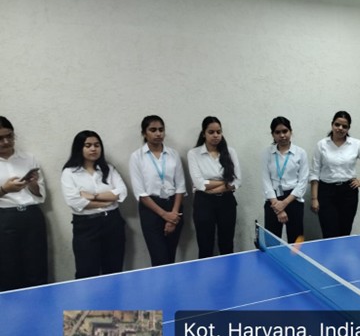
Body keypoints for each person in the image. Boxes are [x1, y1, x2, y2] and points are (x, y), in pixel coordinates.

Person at [61, 130, 127, 278]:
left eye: (97, 145)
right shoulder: (69, 172)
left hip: (112, 223)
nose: (93, 149)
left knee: (114, 270)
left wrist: (93, 197)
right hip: (86, 226)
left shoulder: (109, 169)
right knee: (86, 272)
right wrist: (107, 201)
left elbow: (122, 192)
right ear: (79, 148)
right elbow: (74, 201)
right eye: (88, 145)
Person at [310, 111, 360, 238]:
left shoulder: (356, 144)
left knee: (345, 231)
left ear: (348, 128)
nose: (340, 128)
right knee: (329, 232)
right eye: (337, 124)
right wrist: (314, 199)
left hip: (348, 193)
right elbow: (314, 173)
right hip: (326, 193)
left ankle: (342, 252)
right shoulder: (321, 145)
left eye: (344, 126)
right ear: (332, 124)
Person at [129, 116, 187, 266]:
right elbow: (141, 193)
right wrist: (165, 215)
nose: (158, 133)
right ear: (144, 133)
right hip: (151, 209)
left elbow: (180, 186)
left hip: (174, 206)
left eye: (161, 130)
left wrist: (173, 215)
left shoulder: (173, 154)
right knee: (159, 258)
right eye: (153, 130)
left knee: (170, 256)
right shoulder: (137, 157)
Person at [0, 116, 48, 291]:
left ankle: (40, 303)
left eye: (9, 136)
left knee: (37, 265)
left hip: (31, 215)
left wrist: (32, 183)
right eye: (0, 138)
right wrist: (4, 190)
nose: (6, 142)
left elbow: (41, 195)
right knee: (8, 269)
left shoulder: (28, 158)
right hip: (4, 217)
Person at [187, 117, 241, 258]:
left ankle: (229, 271)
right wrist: (225, 182)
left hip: (227, 201)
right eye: (211, 132)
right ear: (204, 133)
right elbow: (199, 183)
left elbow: (237, 181)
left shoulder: (230, 152)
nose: (215, 135)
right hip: (204, 202)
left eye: (218, 132)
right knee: (205, 245)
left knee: (227, 244)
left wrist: (217, 187)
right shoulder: (194, 153)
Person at [262, 116, 309, 243]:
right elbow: (266, 181)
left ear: (291, 131)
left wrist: (284, 203)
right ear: (273, 134)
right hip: (273, 200)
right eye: (277, 132)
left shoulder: (300, 153)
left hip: (293, 199)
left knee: (296, 240)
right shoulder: (267, 153)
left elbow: (303, 182)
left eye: (285, 131)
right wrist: (277, 205)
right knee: (271, 242)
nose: (282, 135)